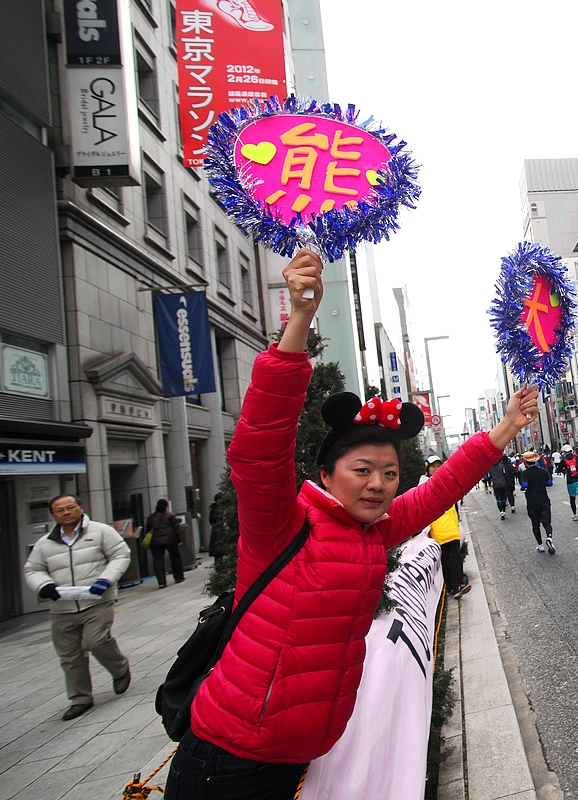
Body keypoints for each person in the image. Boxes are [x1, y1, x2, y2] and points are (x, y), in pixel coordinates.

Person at [163, 250, 539, 799]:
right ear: (324, 473)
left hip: (298, 754)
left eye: (389, 472)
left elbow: (439, 490)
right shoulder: (281, 525)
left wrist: (504, 427)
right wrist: (299, 321)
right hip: (229, 755)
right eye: (362, 470)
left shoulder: (376, 533)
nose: (379, 484)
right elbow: (258, 451)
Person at [24, 494, 132, 721]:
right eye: (60, 510)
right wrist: (44, 586)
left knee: (95, 641)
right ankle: (80, 698)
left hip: (96, 601)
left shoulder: (101, 531)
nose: (66, 512)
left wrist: (106, 580)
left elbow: (120, 555)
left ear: (80, 508)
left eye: (70, 507)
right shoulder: (44, 544)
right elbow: (33, 569)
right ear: (53, 515)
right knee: (69, 654)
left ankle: (119, 668)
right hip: (62, 607)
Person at [424, 455, 470, 598]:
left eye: (439, 465)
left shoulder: (447, 481)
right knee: (445, 559)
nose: (436, 469)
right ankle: (452, 587)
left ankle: (457, 585)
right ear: (427, 468)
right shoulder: (424, 485)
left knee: (455, 556)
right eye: (433, 466)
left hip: (451, 526)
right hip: (438, 527)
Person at [144, 499, 186, 588]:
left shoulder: (150, 518)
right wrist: (180, 539)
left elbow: (147, 530)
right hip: (171, 540)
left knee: (158, 561)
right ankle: (178, 577)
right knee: (175, 558)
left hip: (156, 542)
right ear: (166, 506)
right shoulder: (170, 515)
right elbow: (177, 528)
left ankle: (161, 582)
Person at [520, 451, 555, 553]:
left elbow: (524, 485)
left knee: (535, 525)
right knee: (547, 523)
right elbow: (549, 483)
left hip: (532, 502)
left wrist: (523, 488)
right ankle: (549, 537)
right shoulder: (543, 471)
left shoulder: (525, 473)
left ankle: (540, 545)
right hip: (544, 500)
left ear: (526, 463)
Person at [558, 445, 578, 523]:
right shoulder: (577, 457)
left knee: (572, 498)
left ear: (565, 451)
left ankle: (575, 514)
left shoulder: (564, 460)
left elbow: (558, 470)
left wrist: (564, 470)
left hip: (570, 481)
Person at [489, 455, 516, 520]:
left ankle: (502, 511)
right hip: (503, 484)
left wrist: (489, 485)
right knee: (504, 497)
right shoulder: (502, 466)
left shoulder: (490, 468)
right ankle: (505, 509)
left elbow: (489, 477)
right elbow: (505, 475)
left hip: (495, 485)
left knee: (498, 498)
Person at [207, 493, 226, 561]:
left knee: (219, 554)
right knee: (219, 552)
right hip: (219, 532)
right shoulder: (219, 510)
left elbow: (211, 521)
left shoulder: (213, 510)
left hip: (217, 531)